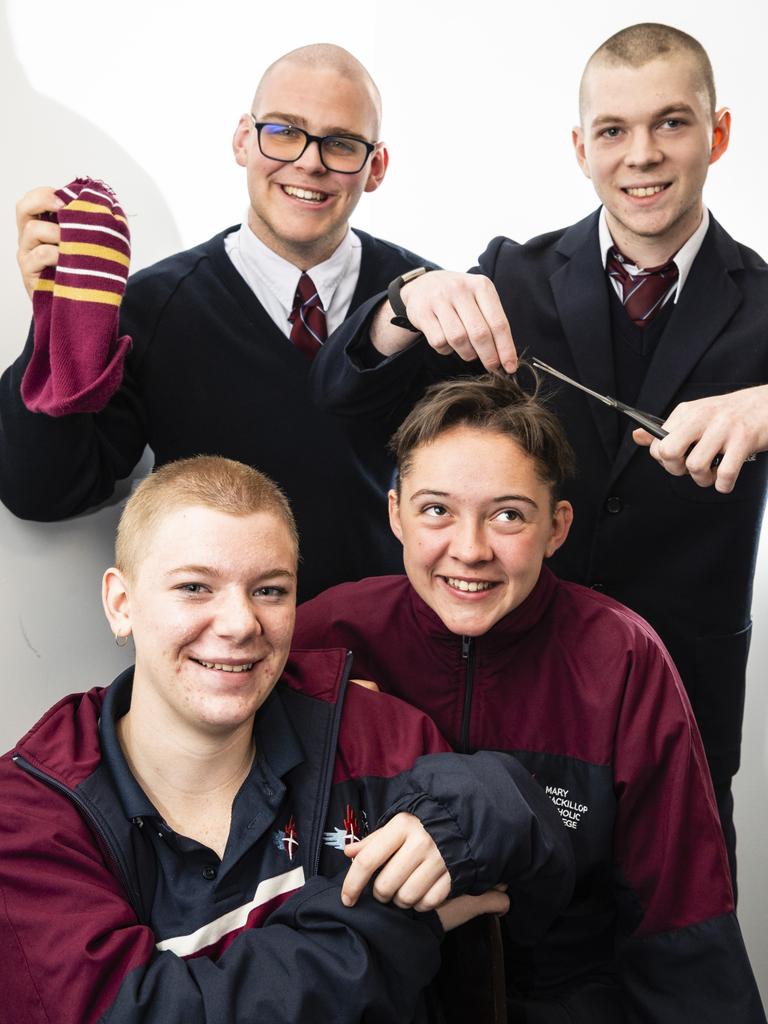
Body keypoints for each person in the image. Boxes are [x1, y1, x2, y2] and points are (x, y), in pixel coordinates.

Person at [309, 22, 768, 868]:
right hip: (511, 687)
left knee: (672, 936)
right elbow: (343, 397)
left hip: (682, 696)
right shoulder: (511, 276)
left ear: (719, 133)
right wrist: (402, 305)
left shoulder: (764, 307)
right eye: (613, 131)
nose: (642, 156)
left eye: (672, 123)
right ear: (580, 147)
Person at [0, 454, 573, 1024]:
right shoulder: (28, 817)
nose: (240, 624)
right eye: (196, 587)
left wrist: (484, 801)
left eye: (270, 591)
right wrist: (392, 918)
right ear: (121, 604)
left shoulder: (365, 731)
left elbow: (536, 871)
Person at [294, 372, 766, 1023]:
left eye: (508, 515)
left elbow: (678, 918)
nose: (470, 550)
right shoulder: (322, 636)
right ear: (396, 514)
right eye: (437, 510)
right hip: (379, 996)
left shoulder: (622, 658)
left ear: (557, 527)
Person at [0, 43, 435, 601]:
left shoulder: (425, 306)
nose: (309, 161)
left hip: (388, 652)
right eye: (283, 131)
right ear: (242, 140)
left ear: (375, 167)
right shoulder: (152, 309)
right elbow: (45, 493)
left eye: (342, 143)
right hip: (220, 650)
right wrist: (57, 325)